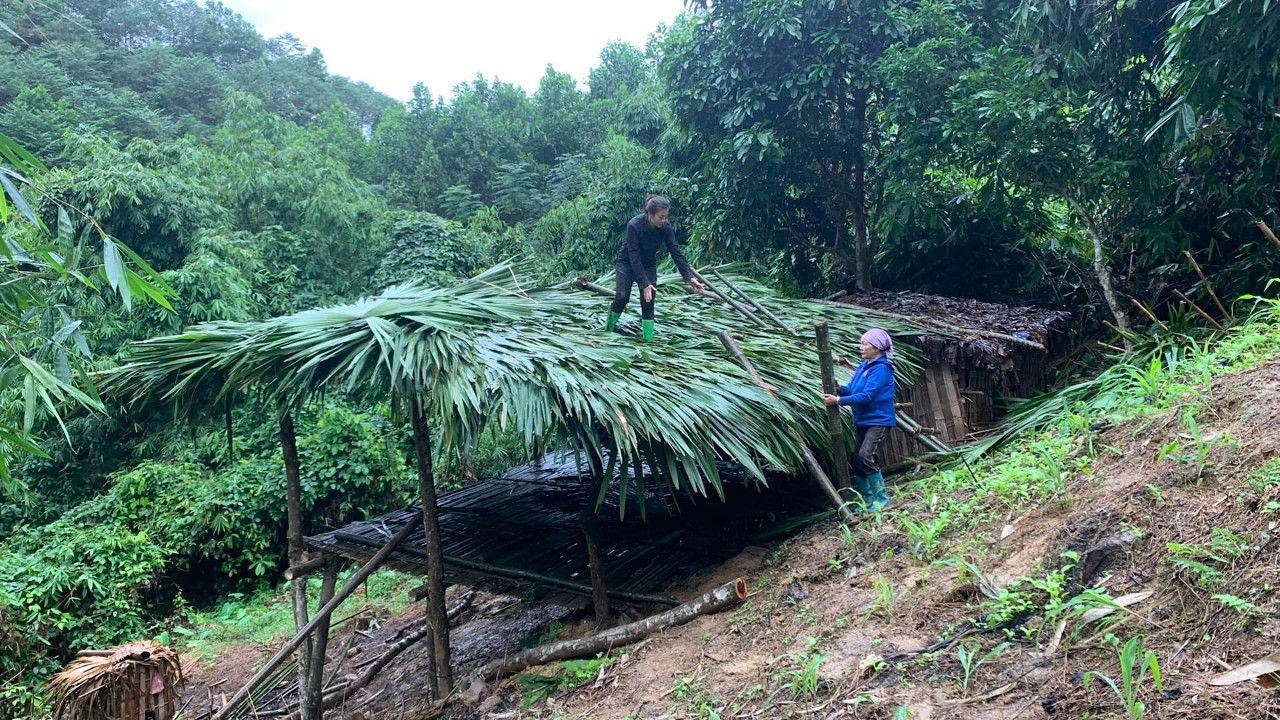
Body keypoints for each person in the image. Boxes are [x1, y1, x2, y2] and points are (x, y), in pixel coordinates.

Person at [605, 195, 705, 340]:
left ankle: (648, 339)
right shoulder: (634, 225)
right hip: (626, 263)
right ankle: (608, 330)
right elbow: (634, 256)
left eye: (666, 217)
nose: (664, 220)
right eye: (660, 217)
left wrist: (689, 277)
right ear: (649, 214)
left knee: (648, 301)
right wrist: (644, 283)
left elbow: (675, 251)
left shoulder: (665, 228)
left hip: (648, 264)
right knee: (622, 297)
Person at [821, 328, 897, 511]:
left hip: (879, 420)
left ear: (877, 347)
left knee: (866, 456)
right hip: (863, 419)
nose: (860, 347)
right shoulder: (864, 365)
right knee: (857, 461)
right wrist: (838, 390)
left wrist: (838, 401)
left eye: (864, 343)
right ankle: (868, 500)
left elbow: (867, 395)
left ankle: (882, 498)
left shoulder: (881, 368)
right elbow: (853, 389)